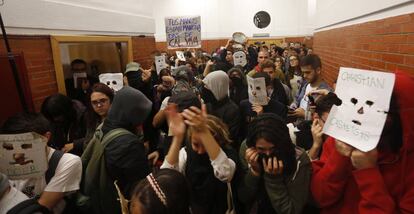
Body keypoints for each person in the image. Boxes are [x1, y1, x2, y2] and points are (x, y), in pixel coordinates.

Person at [311, 72, 414, 213]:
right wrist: (340, 157)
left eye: (375, 107)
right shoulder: (341, 139)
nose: (361, 114)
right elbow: (320, 197)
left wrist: (368, 172)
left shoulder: (407, 163)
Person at [161, 104, 237, 214]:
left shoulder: (228, 154)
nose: (200, 151)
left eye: (205, 145)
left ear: (218, 141)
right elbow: (165, 178)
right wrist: (177, 138)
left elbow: (225, 173)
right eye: (196, 144)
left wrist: (204, 132)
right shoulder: (186, 153)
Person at [1, 112, 82, 213]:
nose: (17, 155)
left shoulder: (67, 162)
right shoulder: (8, 159)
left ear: (46, 137)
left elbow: (42, 207)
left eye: (25, 145)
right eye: (10, 146)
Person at [238, 113, 311, 214]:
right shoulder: (248, 151)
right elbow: (244, 197)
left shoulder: (298, 159)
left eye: (273, 148)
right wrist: (254, 172)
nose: (268, 153)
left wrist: (274, 180)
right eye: (261, 149)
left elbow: (291, 210)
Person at [202, 70, 241, 146]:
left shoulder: (232, 110)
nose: (204, 89)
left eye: (207, 86)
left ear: (217, 87)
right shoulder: (208, 105)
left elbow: (229, 138)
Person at [289, 54, 331, 120]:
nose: (304, 76)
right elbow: (297, 97)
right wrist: (294, 104)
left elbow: (326, 120)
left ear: (318, 70)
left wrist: (305, 114)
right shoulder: (305, 84)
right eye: (303, 73)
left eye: (308, 72)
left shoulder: (326, 93)